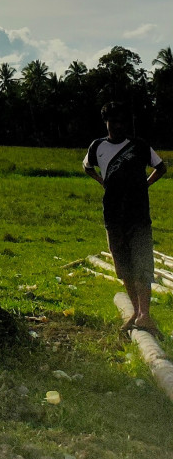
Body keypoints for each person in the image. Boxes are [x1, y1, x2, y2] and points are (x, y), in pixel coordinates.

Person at [83, 102, 166, 333]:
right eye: (113, 121)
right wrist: (103, 182)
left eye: (122, 122)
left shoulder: (139, 146)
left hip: (139, 216)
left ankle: (145, 315)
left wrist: (144, 185)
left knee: (142, 265)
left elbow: (161, 167)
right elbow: (87, 167)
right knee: (124, 268)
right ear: (106, 123)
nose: (118, 126)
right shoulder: (97, 147)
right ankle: (136, 312)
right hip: (113, 216)